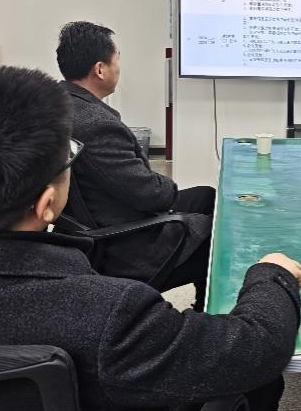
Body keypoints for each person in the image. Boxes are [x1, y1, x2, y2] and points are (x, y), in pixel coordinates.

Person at [0, 66, 301, 411]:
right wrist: (271, 276)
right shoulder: (109, 312)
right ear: (46, 203)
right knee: (256, 381)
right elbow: (257, 347)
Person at [56, 21, 212, 295]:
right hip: (122, 242)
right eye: (117, 59)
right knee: (218, 236)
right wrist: (165, 185)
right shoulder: (97, 125)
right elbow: (152, 196)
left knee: (206, 196)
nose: (119, 67)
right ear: (100, 69)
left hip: (92, 220)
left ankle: (200, 301)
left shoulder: (58, 104)